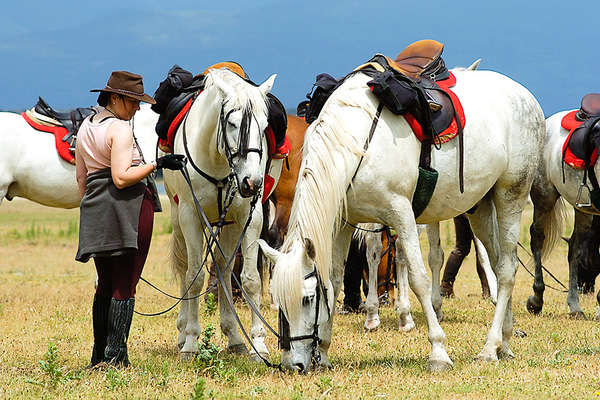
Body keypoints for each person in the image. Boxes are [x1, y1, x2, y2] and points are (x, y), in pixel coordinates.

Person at [75, 70, 186, 368]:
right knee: (125, 284)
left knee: (105, 284)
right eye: (133, 101)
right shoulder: (120, 129)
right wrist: (157, 164)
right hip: (129, 208)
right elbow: (122, 178)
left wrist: (99, 205)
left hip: (97, 210)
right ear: (115, 98)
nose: (138, 107)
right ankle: (115, 358)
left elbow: (81, 180)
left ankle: (99, 354)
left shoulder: (85, 126)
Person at [440, 214, 491, 299]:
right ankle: (487, 291)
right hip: (476, 209)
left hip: (461, 209)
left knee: (461, 248)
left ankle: (445, 287)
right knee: (481, 250)